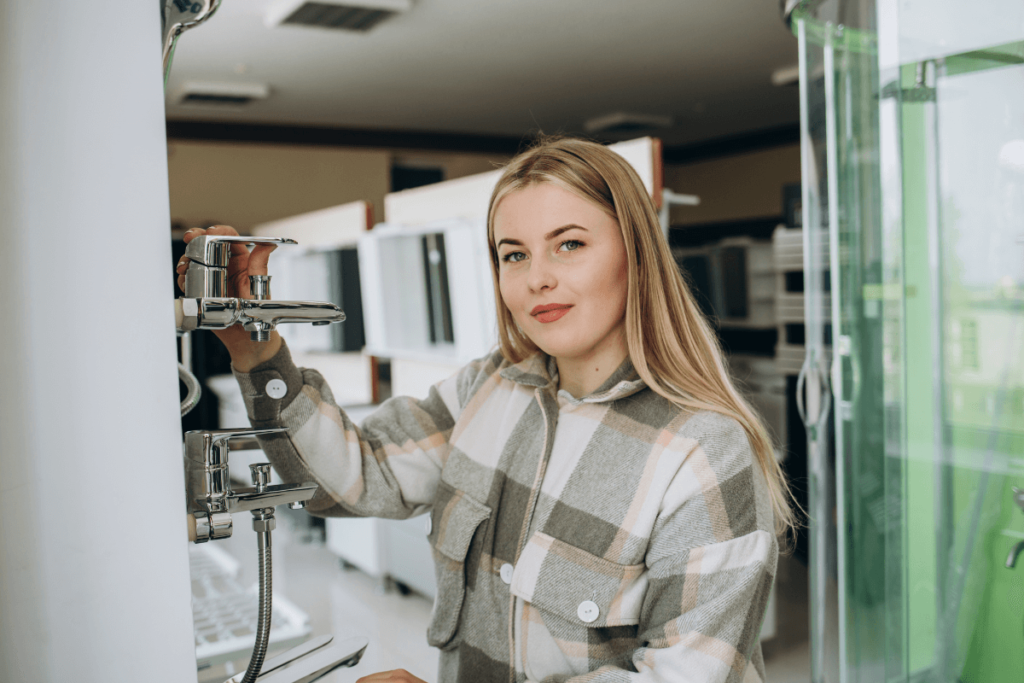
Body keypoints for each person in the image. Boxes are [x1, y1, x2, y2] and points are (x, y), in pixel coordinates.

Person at [175, 137, 796, 683]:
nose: (536, 279)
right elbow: (356, 479)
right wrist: (255, 347)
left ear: (636, 255)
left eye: (570, 244)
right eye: (514, 253)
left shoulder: (703, 451)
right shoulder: (487, 388)